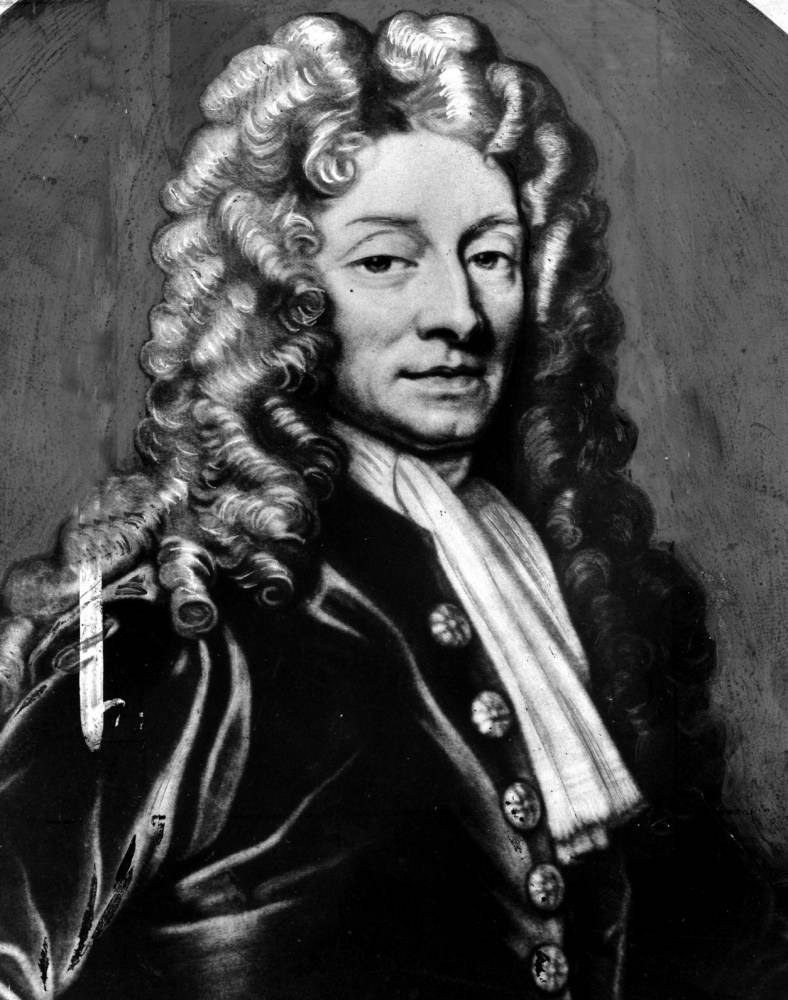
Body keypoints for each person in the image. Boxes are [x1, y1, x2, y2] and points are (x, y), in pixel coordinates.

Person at [0, 10, 785, 1000]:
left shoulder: (581, 592)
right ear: (283, 295)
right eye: (385, 260)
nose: (458, 316)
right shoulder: (187, 629)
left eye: (491, 257)